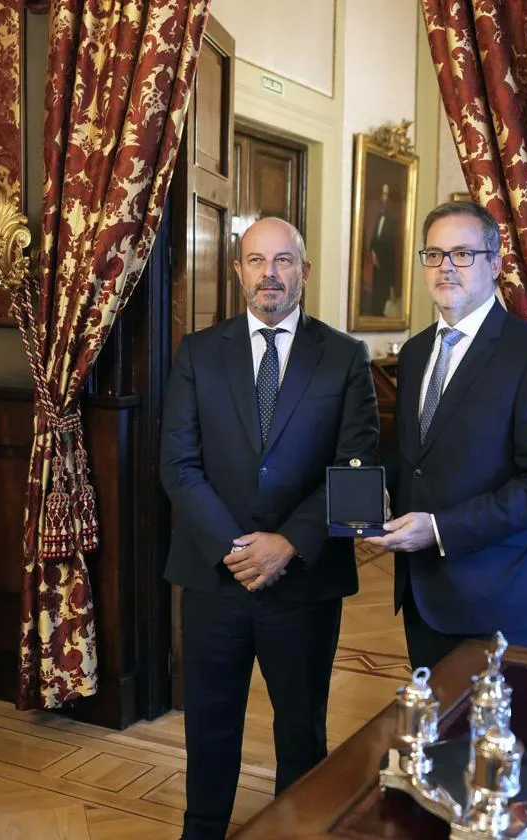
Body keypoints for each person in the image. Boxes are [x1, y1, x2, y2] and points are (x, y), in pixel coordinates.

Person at [160, 217, 379, 840]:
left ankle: (297, 830)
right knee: (209, 721)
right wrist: (238, 548)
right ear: (238, 272)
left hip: (304, 581)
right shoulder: (198, 353)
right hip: (214, 576)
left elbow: (357, 468)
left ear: (303, 273)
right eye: (256, 261)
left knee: (302, 727)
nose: (270, 274)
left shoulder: (343, 356)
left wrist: (288, 544)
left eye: (283, 262)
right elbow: (178, 465)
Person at [365, 200, 527, 670]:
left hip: (495, 601)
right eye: (434, 255)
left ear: (495, 264)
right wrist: (371, 494)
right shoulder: (418, 350)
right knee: (435, 739)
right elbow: (413, 454)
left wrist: (440, 530)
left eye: (463, 254)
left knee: (489, 744)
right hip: (421, 593)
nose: (446, 267)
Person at [363, 182, 397, 316]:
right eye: (383, 194)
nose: (385, 198)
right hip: (376, 262)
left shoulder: (391, 220)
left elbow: (391, 246)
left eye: (387, 195)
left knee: (383, 290)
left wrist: (380, 258)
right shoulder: (378, 217)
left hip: (386, 263)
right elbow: (374, 239)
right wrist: (373, 254)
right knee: (376, 290)